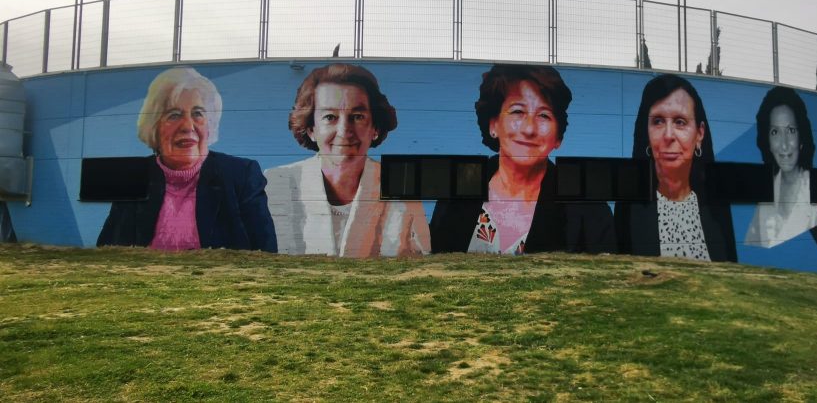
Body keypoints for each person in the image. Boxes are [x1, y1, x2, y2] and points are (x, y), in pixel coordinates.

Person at [430, 64, 615, 254]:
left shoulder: (587, 205)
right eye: (517, 111)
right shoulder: (460, 187)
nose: (529, 129)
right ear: (493, 124)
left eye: (544, 115)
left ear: (558, 137)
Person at [97, 67, 276, 252]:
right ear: (154, 127)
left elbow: (266, 253)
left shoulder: (241, 175)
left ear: (210, 125)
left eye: (198, 113)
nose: (187, 126)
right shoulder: (135, 176)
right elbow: (109, 251)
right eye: (174, 115)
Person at [264, 64, 429, 257]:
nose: (344, 131)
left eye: (357, 116)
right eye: (330, 117)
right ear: (311, 129)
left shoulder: (401, 184)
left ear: (375, 128)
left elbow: (421, 259)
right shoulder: (277, 182)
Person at [614, 74, 735, 261]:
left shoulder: (716, 206)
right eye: (658, 121)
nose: (668, 135)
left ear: (699, 134)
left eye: (680, 122)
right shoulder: (629, 208)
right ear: (646, 131)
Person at [744, 86, 817, 248]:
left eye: (790, 130)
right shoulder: (764, 198)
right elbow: (750, 250)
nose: (784, 145)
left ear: (802, 136)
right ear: (767, 142)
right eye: (775, 132)